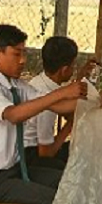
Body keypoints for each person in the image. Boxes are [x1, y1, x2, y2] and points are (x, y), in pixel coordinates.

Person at [0, 24, 85, 204]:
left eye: (24, 53)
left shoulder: (17, 86)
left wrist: (91, 102)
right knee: (54, 199)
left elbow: (58, 106)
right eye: (17, 54)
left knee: (67, 180)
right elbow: (14, 115)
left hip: (15, 171)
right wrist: (62, 92)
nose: (22, 60)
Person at [23, 35, 87, 169]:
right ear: (64, 70)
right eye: (73, 65)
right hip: (30, 157)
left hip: (33, 149)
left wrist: (81, 79)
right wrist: (70, 125)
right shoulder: (47, 100)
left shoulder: (40, 82)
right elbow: (46, 154)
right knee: (75, 169)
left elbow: (67, 105)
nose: (74, 69)